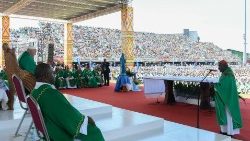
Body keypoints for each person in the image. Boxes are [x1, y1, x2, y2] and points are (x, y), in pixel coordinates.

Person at [31, 63, 105, 141]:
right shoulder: (50, 93)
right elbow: (67, 115)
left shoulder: (35, 90)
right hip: (55, 132)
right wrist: (86, 119)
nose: (54, 75)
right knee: (94, 131)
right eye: (52, 73)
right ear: (45, 76)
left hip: (48, 127)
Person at [214, 60, 242, 136]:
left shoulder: (228, 75)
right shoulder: (225, 74)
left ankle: (229, 132)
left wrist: (215, 86)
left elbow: (224, 88)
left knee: (229, 115)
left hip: (228, 100)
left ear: (224, 66)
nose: (218, 68)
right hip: (226, 99)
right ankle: (225, 130)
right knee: (225, 115)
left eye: (219, 66)